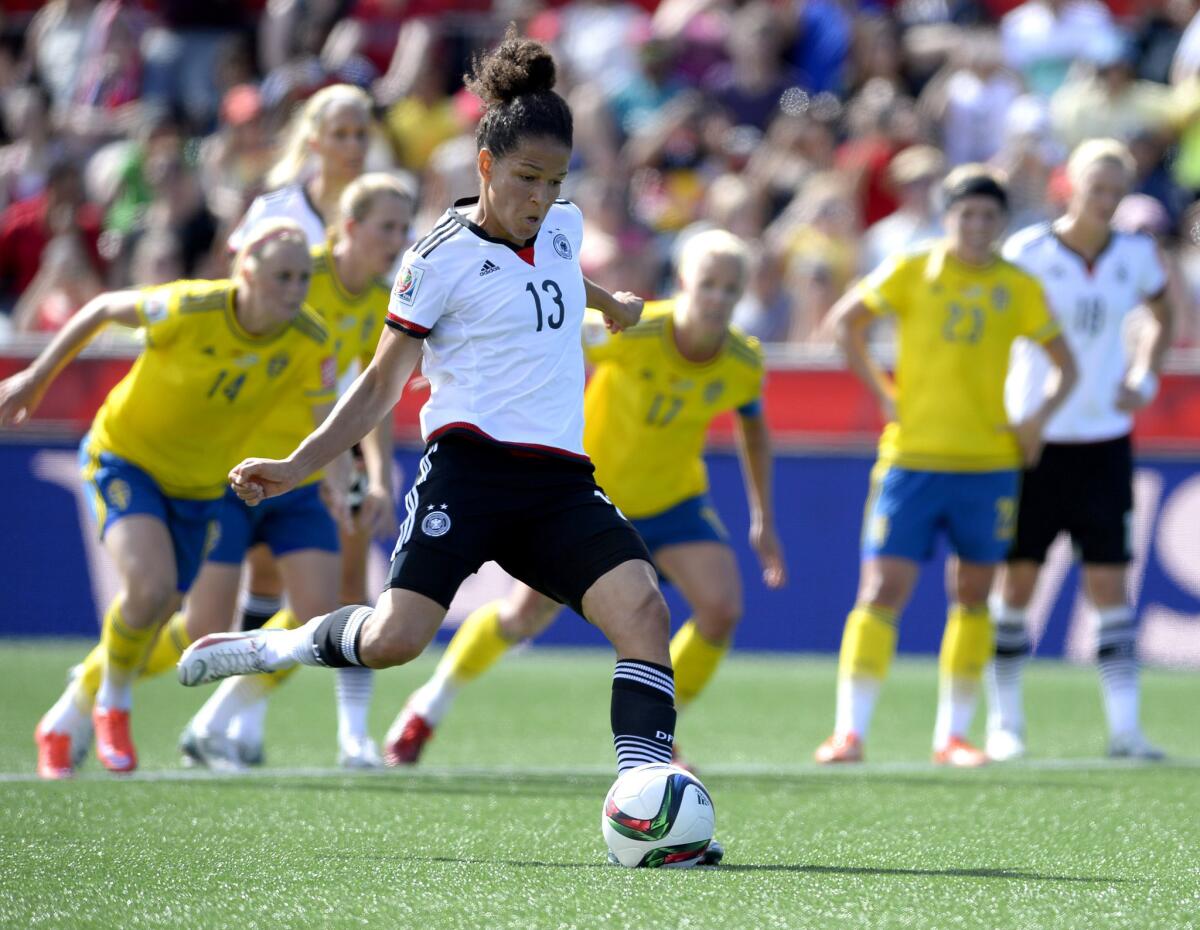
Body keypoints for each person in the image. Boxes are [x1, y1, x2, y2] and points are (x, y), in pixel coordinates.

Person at [177, 28, 718, 862]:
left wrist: (609, 303)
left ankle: (645, 804)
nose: (540, 196)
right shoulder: (437, 258)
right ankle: (273, 646)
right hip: (466, 477)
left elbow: (561, 270)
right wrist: (298, 466)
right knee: (396, 642)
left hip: (560, 485)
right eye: (525, 179)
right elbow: (381, 384)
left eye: (554, 181)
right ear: (485, 167)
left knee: (643, 609)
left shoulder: (565, 225)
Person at [384, 228, 787, 767]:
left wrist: (762, 515)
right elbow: (538, 337)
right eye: (707, 284)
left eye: (729, 289)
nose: (716, 299)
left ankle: (664, 732)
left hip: (674, 500)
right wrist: (456, 364)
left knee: (721, 609)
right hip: (589, 495)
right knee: (520, 619)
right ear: (682, 282)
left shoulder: (743, 361)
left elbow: (754, 428)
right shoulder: (633, 331)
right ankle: (428, 705)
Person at [0, 219, 335, 778]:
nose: (295, 288)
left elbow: (326, 418)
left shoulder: (308, 338)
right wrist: (36, 378)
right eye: (282, 275)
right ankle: (113, 700)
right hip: (124, 457)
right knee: (150, 589)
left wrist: (340, 477)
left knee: (163, 611)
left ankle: (67, 714)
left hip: (201, 487)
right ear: (243, 270)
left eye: (303, 276)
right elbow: (103, 309)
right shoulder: (191, 307)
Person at [814, 164, 1077, 767]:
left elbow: (1067, 365)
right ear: (946, 216)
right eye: (966, 214)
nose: (977, 226)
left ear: (1003, 222)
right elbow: (845, 324)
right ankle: (849, 732)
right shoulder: (914, 268)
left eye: (989, 216)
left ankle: (953, 737)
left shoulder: (1018, 285)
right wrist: (883, 393)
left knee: (974, 595)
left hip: (988, 463)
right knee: (881, 590)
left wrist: (1035, 421)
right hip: (912, 459)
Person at [179, 173, 415, 770]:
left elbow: (377, 392)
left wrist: (381, 475)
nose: (398, 239)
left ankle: (347, 736)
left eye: (403, 228)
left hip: (319, 463)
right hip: (254, 460)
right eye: (387, 226)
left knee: (339, 601)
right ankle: (112, 697)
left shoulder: (385, 298)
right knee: (196, 616)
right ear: (350, 227)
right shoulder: (295, 273)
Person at [985, 139, 1177, 762]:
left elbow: (1162, 312)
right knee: (1017, 583)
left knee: (1109, 583)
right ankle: (1004, 720)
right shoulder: (1028, 251)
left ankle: (1126, 729)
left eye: (1116, 191)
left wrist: (1144, 374)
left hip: (1103, 441)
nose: (1105, 201)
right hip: (1033, 442)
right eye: (1096, 188)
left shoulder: (1134, 253)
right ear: (1072, 186)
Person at [227, 83, 375, 252]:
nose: (354, 145)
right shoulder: (275, 210)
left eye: (361, 134)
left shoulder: (389, 213)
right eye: (340, 134)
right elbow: (237, 263)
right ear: (314, 143)